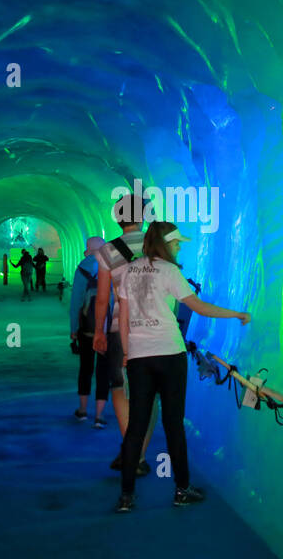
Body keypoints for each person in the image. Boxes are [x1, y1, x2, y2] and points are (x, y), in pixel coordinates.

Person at [113, 221, 250, 514]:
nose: (179, 246)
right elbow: (199, 307)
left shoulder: (129, 271)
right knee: (173, 423)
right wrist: (236, 314)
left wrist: (127, 353)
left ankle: (126, 496)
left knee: (137, 423)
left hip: (138, 357)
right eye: (176, 243)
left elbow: (123, 318)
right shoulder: (170, 271)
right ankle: (181, 490)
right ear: (165, 243)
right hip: (169, 354)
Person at [93, 190, 154, 476]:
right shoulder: (157, 245)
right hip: (156, 328)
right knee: (150, 394)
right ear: (141, 216)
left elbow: (102, 298)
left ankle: (130, 450)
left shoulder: (107, 251)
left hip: (121, 328)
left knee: (120, 387)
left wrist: (99, 331)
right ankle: (138, 455)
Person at [70, 238, 110, 428]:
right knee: (104, 371)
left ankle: (83, 411)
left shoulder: (82, 269)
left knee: (85, 369)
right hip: (106, 329)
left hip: (86, 329)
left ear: (88, 250)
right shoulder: (112, 266)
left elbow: (76, 302)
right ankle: (99, 416)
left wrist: (73, 329)